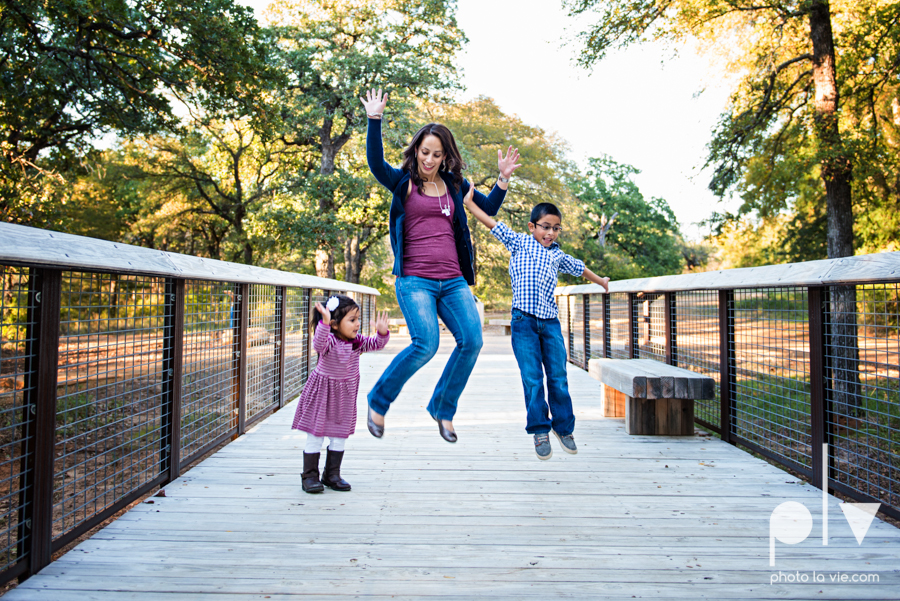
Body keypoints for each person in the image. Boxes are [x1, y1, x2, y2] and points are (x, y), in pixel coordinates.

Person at [359, 88, 522, 443]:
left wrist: (503, 178)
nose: (429, 160)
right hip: (415, 279)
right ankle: (379, 399)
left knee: (472, 340)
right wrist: (375, 120)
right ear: (416, 150)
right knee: (426, 344)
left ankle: (443, 408)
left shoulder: (453, 184)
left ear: (446, 156)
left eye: (436, 154)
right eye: (424, 152)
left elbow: (489, 207)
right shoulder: (402, 182)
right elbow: (375, 163)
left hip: (452, 280)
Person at [463, 191, 611, 460]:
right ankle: (540, 429)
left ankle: (564, 428)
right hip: (523, 322)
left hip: (550, 323)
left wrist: (601, 281)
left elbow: (580, 268)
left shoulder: (558, 255)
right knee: (532, 378)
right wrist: (470, 203)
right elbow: (492, 224)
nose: (551, 233)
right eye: (545, 227)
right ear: (532, 227)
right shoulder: (519, 242)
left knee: (558, 377)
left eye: (556, 228)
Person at [292, 294, 390, 493]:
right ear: (335, 325)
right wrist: (324, 324)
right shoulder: (328, 341)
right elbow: (318, 345)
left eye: (358, 320)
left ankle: (332, 474)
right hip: (321, 395)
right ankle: (309, 476)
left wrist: (382, 333)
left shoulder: (357, 342)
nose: (357, 325)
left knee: (339, 436)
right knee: (315, 435)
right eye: (352, 320)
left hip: (344, 398)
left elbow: (376, 344)